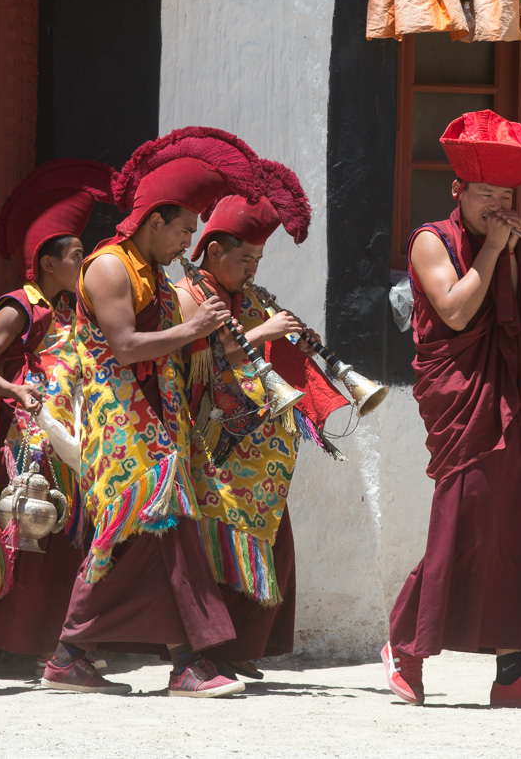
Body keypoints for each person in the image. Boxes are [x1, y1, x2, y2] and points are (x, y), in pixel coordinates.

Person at [40, 127, 270, 698]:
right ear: (154, 222)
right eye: (185, 230)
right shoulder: (109, 267)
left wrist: (217, 338)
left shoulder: (159, 276)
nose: (188, 243)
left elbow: (171, 344)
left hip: (155, 415)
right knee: (153, 527)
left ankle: (78, 654)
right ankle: (185, 659)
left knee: (148, 534)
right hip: (117, 416)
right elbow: (122, 346)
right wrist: (194, 327)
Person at [383, 110, 521, 709]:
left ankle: (510, 672)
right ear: (458, 192)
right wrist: (494, 249)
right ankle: (407, 650)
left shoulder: (514, 248)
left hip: (511, 400)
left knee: (518, 528)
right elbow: (457, 312)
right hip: (464, 402)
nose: (497, 205)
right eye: (486, 195)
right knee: (464, 528)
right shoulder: (430, 240)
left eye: (506, 196)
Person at [0, 159, 114, 674]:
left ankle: (50, 643)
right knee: (15, 535)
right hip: (24, 440)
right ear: (46, 263)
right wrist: (15, 390)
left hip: (68, 439)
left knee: (59, 538)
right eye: (78, 254)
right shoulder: (20, 306)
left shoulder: (70, 312)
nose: (85, 264)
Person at [175, 178, 343, 682]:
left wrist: (294, 338)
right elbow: (190, 355)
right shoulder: (189, 295)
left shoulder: (247, 296)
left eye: (257, 261)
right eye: (244, 258)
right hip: (215, 443)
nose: (251, 270)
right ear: (213, 249)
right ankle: (209, 651)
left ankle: (240, 646)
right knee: (218, 547)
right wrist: (261, 333)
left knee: (275, 546)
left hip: (261, 450)